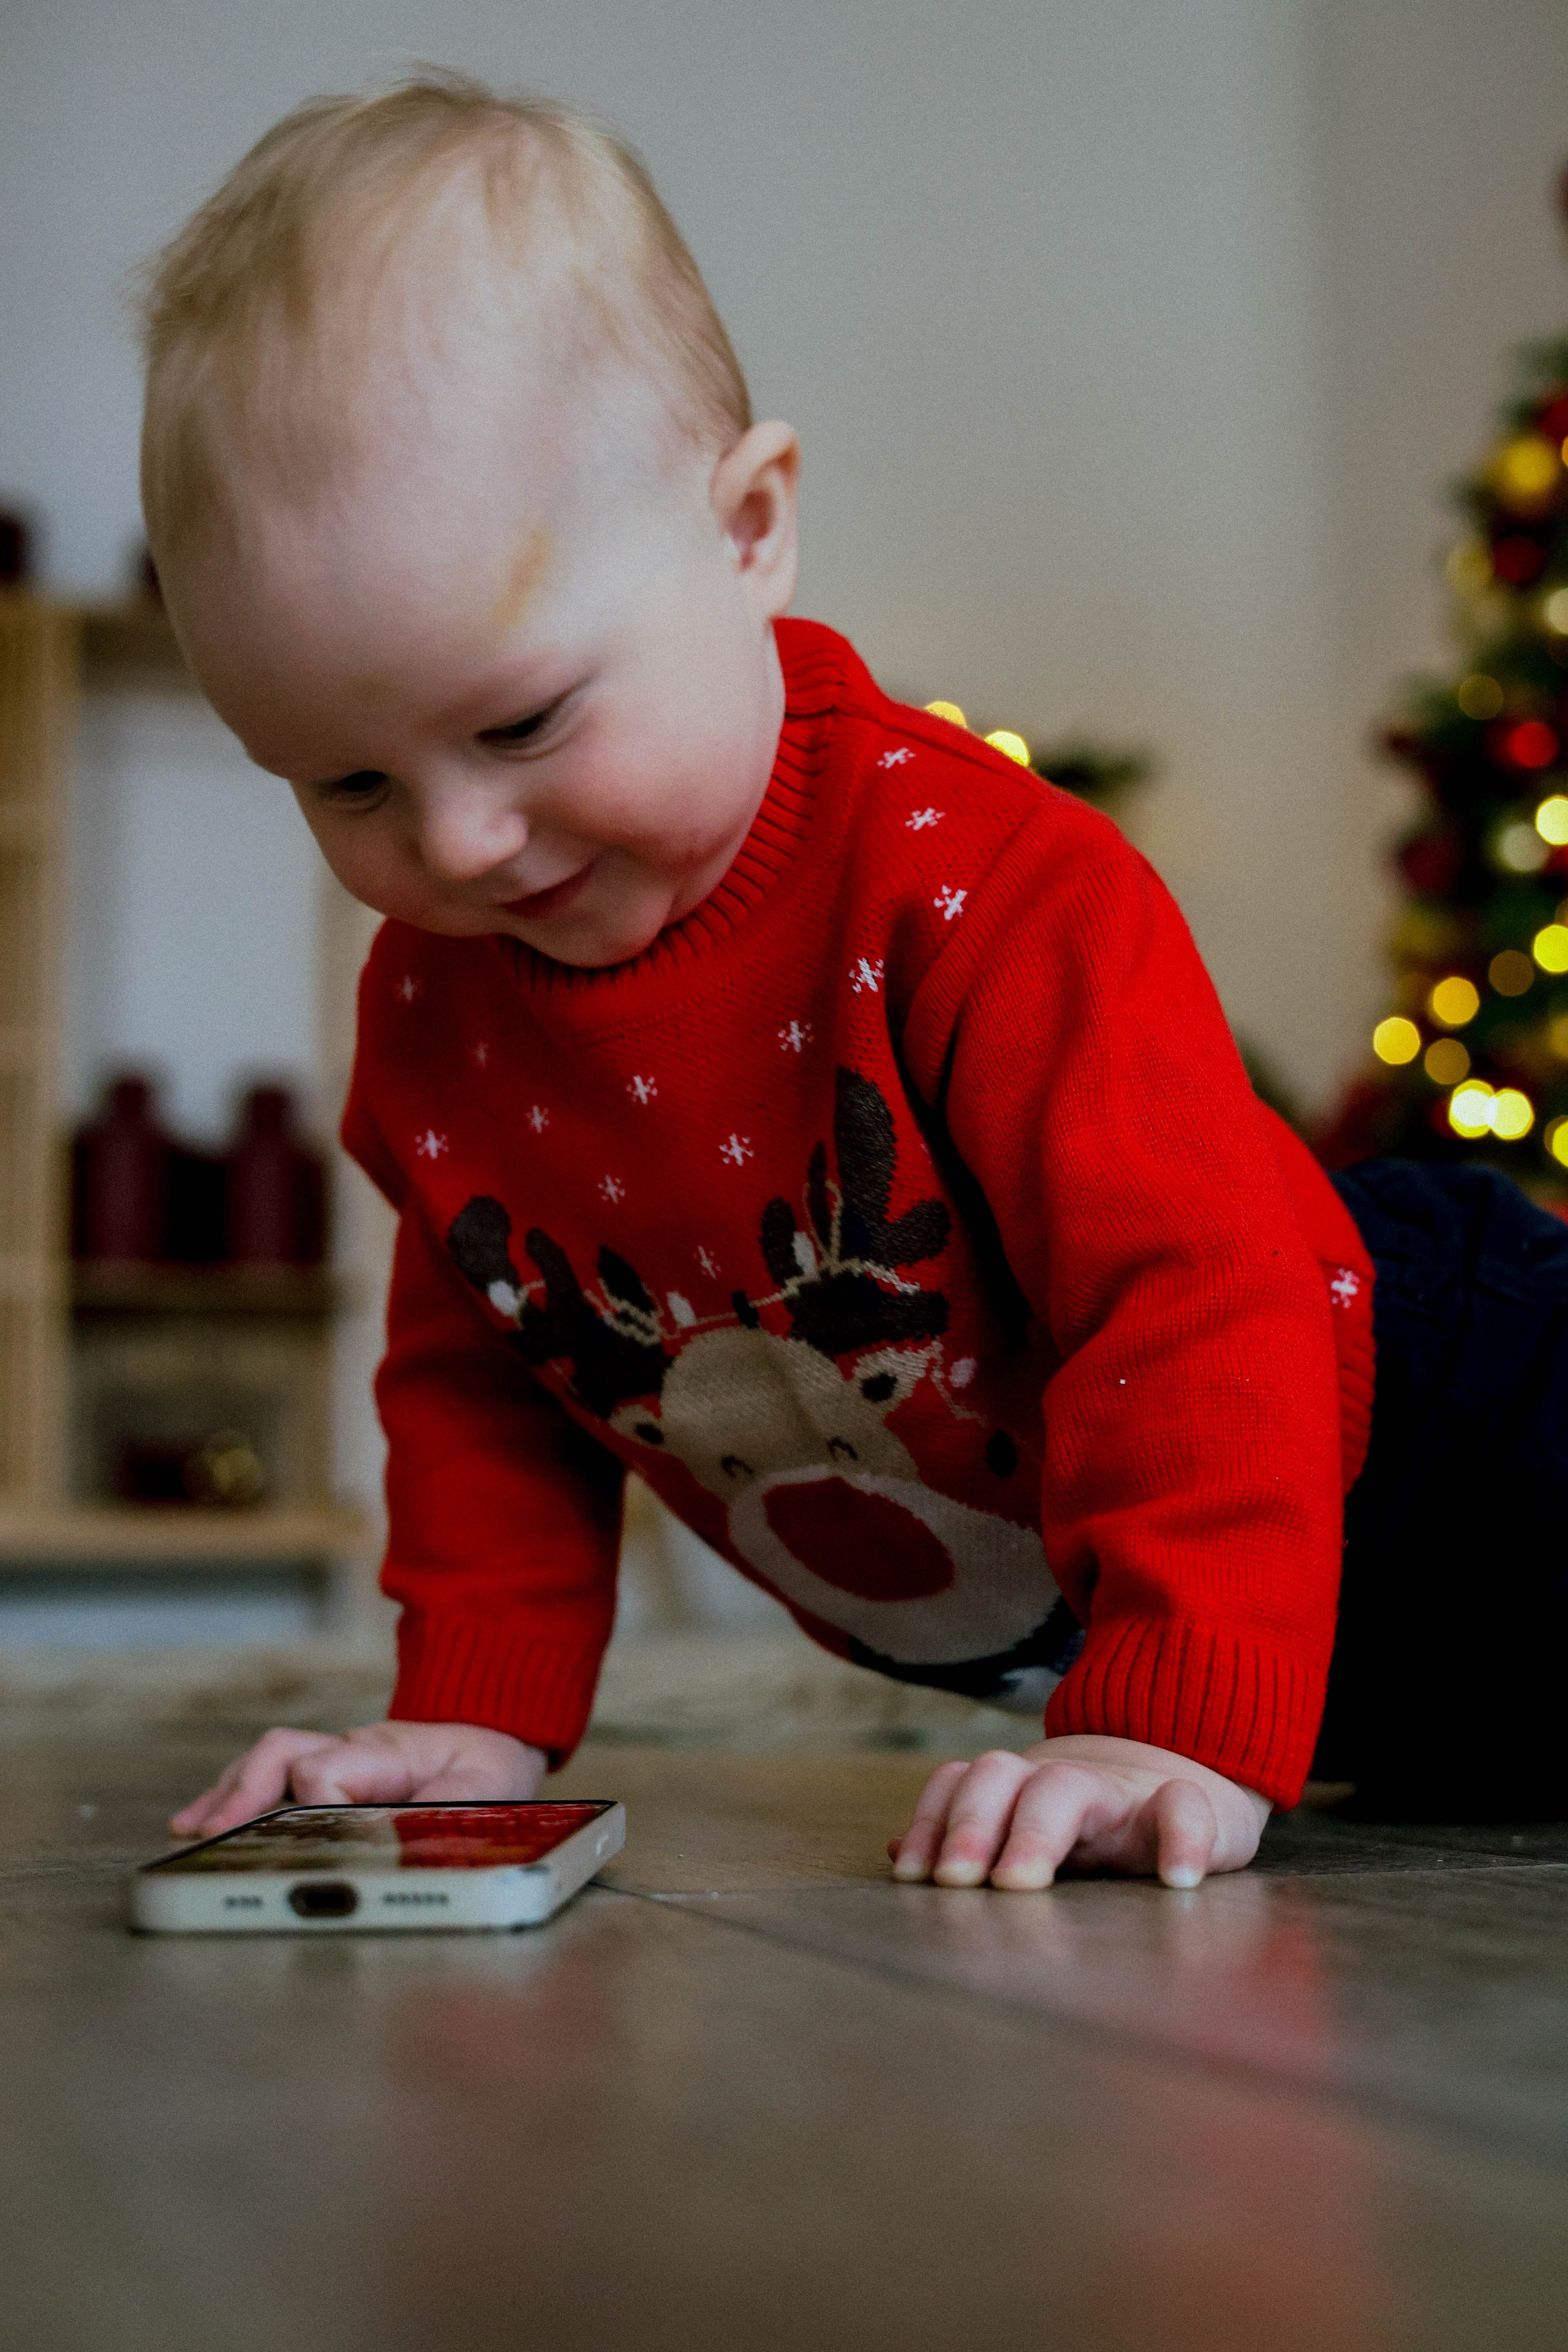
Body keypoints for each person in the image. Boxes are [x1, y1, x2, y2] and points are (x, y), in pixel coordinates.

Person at [148, 74, 1568, 1891]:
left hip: (1443, 1437)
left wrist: (1169, 1707)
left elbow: (1196, 1293)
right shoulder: (438, 1016)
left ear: (749, 530)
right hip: (1278, 1646)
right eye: (349, 784)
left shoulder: (982, 886)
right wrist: (475, 1708)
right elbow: (486, 1383)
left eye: (521, 722)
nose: (460, 847)